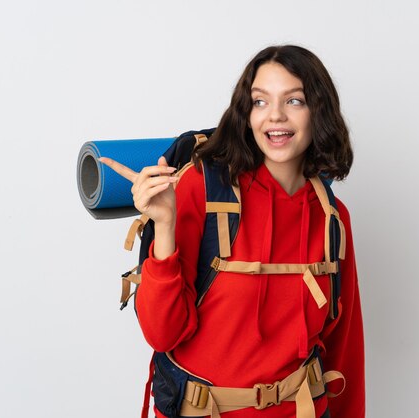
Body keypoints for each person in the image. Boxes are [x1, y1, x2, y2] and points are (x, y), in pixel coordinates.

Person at [101, 45, 364, 418]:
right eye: (260, 102)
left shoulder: (332, 217)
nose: (274, 116)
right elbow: (162, 335)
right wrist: (164, 225)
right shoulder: (198, 189)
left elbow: (344, 345)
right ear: (245, 112)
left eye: (294, 101)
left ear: (318, 112)